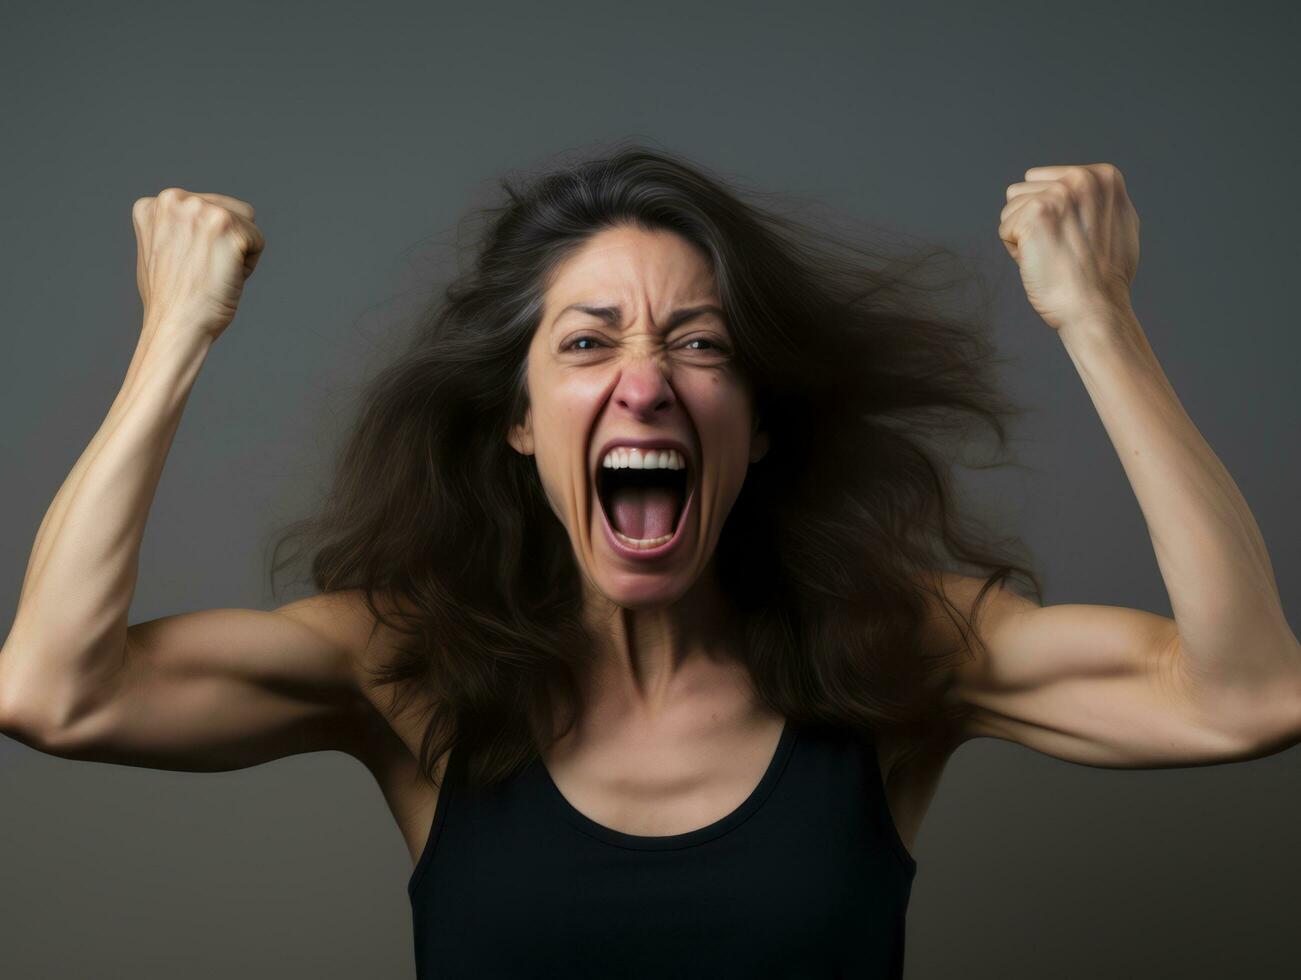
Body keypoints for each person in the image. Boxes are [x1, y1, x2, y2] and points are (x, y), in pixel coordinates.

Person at [1, 143, 1296, 979]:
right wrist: (176, 334)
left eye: (698, 344)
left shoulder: (897, 659)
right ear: (516, 424)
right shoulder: (411, 671)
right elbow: (58, 691)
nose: (643, 384)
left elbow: (1245, 697)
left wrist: (1095, 318)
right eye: (584, 345)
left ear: (761, 418)